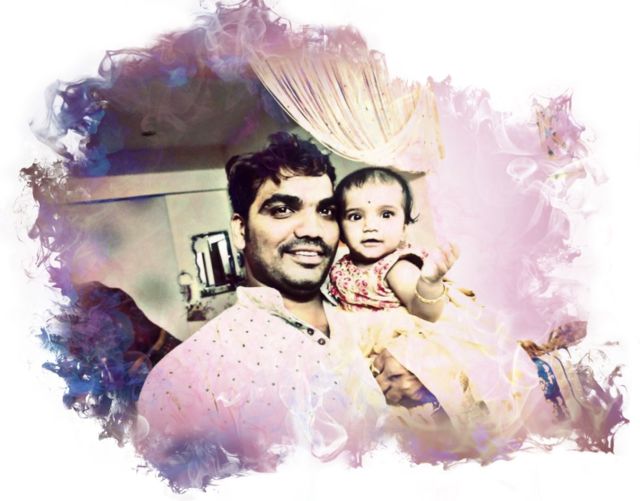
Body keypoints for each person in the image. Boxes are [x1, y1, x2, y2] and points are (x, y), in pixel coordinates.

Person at [134, 133, 432, 488]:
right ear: (240, 230)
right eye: (282, 210)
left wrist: (434, 386)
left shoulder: (382, 317)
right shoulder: (183, 379)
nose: (312, 230)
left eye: (326, 211)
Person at [328, 167, 588, 453]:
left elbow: (425, 311)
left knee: (464, 391)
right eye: (356, 216)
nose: (370, 226)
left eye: (386, 214)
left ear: (404, 226)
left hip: (416, 341)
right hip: (369, 347)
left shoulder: (396, 267)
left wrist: (429, 282)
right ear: (340, 228)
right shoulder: (343, 266)